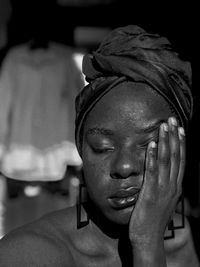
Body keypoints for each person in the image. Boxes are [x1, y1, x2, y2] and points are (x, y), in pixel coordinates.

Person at [0, 25, 199, 267]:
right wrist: (147, 245)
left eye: (150, 144)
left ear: (180, 147)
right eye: (102, 147)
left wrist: (149, 242)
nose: (124, 167)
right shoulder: (28, 254)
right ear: (81, 147)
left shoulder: (187, 246)